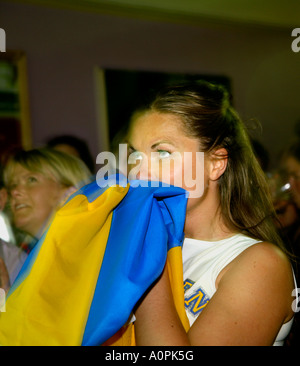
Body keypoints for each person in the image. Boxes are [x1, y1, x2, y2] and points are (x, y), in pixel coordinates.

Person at [124, 81, 296, 346]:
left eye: (162, 152)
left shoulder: (261, 264)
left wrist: (147, 262)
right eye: (135, 155)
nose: (139, 172)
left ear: (215, 164)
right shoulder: (136, 240)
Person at [3, 148, 92, 249]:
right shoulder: (19, 258)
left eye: (31, 180)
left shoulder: (91, 249)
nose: (14, 192)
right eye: (13, 185)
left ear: (69, 191)